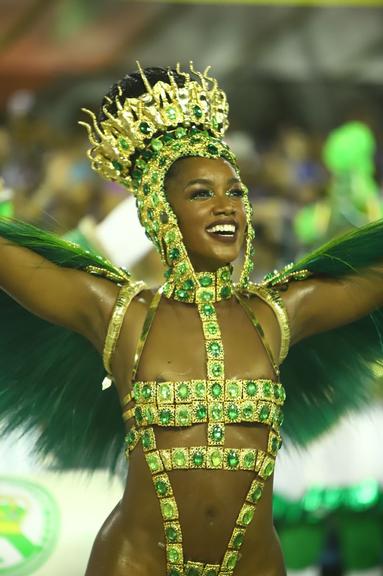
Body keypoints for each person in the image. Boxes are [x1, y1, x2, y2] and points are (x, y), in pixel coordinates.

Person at [0, 64, 382, 576]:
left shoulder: (277, 315)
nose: (227, 207)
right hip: (136, 564)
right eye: (202, 193)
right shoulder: (121, 316)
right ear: (160, 212)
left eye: (236, 192)